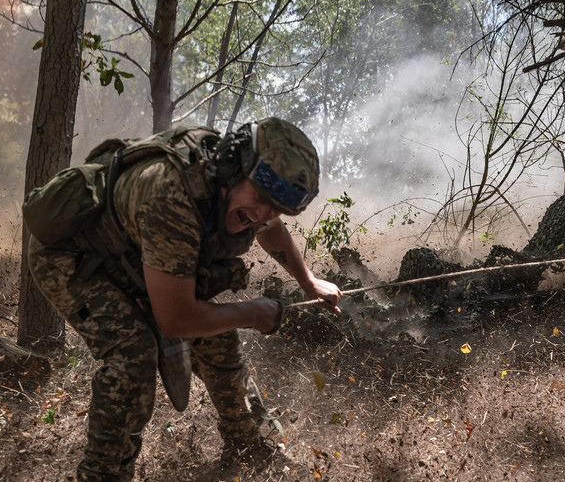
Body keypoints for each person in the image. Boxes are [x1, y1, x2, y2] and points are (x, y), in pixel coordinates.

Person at [27, 118, 342, 481]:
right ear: (232, 169)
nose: (264, 215)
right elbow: (176, 320)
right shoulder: (172, 196)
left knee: (217, 337)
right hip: (76, 258)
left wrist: (309, 282)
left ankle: (249, 444)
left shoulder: (244, 186)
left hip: (139, 253)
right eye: (260, 200)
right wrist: (253, 313)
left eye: (277, 208)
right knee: (134, 355)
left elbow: (269, 229)